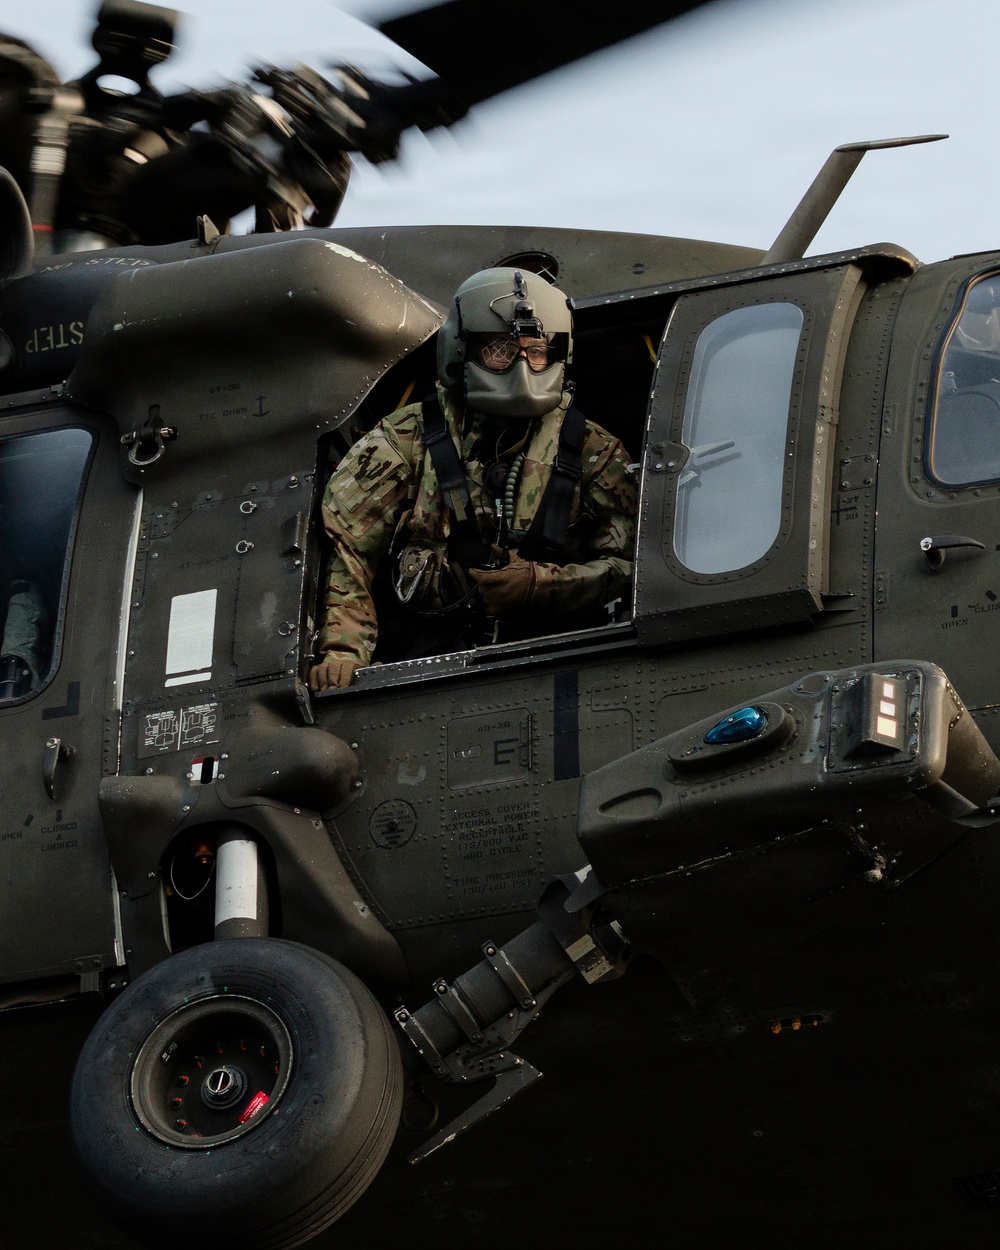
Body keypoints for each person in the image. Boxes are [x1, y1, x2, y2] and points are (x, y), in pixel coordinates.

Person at [309, 267, 638, 691]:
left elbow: (637, 571)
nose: (522, 367)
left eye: (536, 351)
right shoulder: (405, 440)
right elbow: (347, 551)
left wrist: (541, 587)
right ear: (461, 350)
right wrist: (342, 649)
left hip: (554, 659)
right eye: (501, 350)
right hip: (429, 656)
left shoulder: (594, 452)